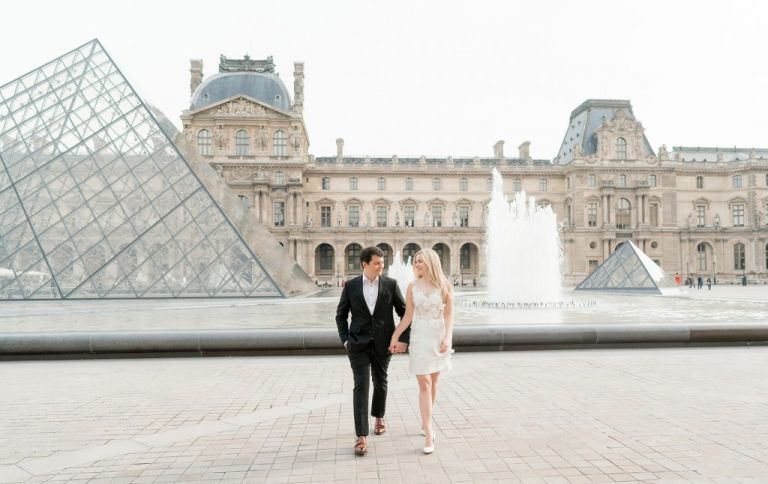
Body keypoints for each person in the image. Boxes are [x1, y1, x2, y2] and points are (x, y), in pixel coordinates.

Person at [335, 246, 408, 456]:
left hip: (384, 344)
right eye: (377, 263)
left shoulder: (391, 285)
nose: (381, 267)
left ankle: (378, 416)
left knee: (380, 381)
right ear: (364, 264)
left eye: (383, 263)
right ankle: (361, 436)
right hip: (357, 345)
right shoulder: (351, 286)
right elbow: (341, 315)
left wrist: (401, 338)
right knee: (361, 386)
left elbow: (405, 313)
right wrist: (345, 340)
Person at [389, 248, 454, 454]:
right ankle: (428, 432)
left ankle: (426, 420)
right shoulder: (412, 287)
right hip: (419, 338)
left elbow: (449, 317)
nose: (417, 264)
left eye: (420, 261)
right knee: (424, 383)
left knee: (433, 384)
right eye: (415, 261)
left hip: (437, 338)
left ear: (431, 262)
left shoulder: (444, 286)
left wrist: (447, 338)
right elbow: (408, 316)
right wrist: (395, 335)